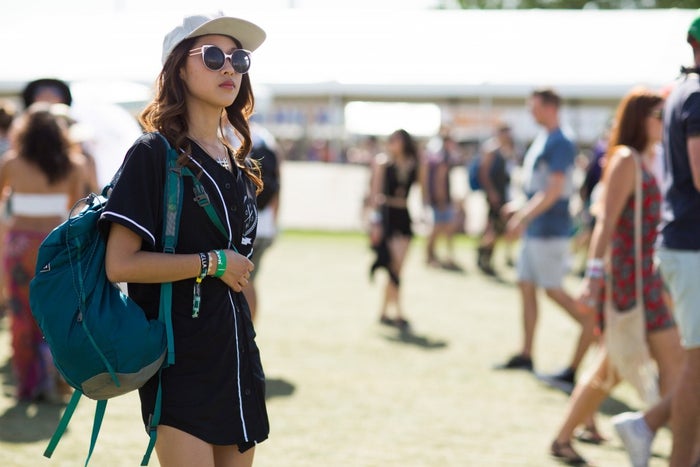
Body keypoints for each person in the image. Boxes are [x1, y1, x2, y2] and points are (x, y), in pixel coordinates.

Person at [101, 14, 269, 467]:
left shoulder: (237, 160)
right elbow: (120, 263)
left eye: (238, 58)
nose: (229, 68)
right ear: (178, 68)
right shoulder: (153, 153)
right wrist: (213, 262)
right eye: (213, 56)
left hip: (236, 355)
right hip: (179, 359)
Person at [549, 88, 683, 466]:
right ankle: (680, 447)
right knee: (669, 362)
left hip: (644, 276)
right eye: (657, 115)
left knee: (612, 367)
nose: (663, 121)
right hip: (630, 278)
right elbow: (605, 221)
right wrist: (592, 276)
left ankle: (563, 438)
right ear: (639, 119)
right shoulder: (626, 160)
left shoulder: (648, 158)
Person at [498, 88, 595, 387]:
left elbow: (554, 191)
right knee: (526, 285)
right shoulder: (544, 139)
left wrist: (523, 216)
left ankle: (594, 330)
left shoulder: (561, 142)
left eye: (534, 106)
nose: (530, 112)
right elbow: (538, 187)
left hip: (549, 231)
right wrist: (522, 209)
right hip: (536, 230)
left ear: (550, 107)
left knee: (554, 291)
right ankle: (527, 353)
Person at [0, 103, 89, 402]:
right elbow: (75, 209)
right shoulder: (75, 164)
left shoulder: (11, 162)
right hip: (55, 246)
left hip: (19, 246)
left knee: (21, 313)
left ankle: (29, 383)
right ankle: (58, 377)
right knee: (56, 315)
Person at [657, 14, 700, 467]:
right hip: (691, 244)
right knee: (697, 367)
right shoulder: (696, 96)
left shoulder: (682, 92)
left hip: (684, 242)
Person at [369, 129, 419, 330]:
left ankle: (383, 312)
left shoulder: (414, 164)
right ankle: (398, 313)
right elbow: (374, 195)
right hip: (387, 216)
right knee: (394, 266)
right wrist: (376, 223)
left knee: (398, 269)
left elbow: (421, 193)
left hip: (404, 215)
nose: (393, 143)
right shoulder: (383, 163)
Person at [242, 124, 281, 321]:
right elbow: (277, 184)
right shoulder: (265, 136)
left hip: (245, 225)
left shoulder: (230, 135)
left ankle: (247, 331)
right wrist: (274, 222)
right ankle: (249, 330)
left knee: (244, 282)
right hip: (264, 224)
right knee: (250, 281)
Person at [476, 123, 513, 276]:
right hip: (495, 195)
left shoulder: (504, 150)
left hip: (502, 194)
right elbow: (483, 173)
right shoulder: (491, 150)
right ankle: (482, 254)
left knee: (497, 229)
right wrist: (491, 192)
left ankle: (487, 257)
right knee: (493, 228)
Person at [424, 132, 460, 270]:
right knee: (438, 229)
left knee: (442, 229)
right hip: (441, 200)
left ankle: (437, 255)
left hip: (440, 199)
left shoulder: (439, 157)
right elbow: (439, 181)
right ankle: (431, 255)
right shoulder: (443, 158)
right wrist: (442, 200)